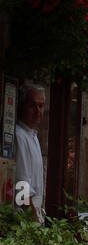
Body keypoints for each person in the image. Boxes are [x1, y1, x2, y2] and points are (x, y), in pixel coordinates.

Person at [14, 81, 46, 223]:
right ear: (22, 106)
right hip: (24, 220)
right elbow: (22, 187)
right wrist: (34, 222)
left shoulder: (32, 136)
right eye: (32, 106)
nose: (38, 111)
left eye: (41, 106)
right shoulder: (19, 136)